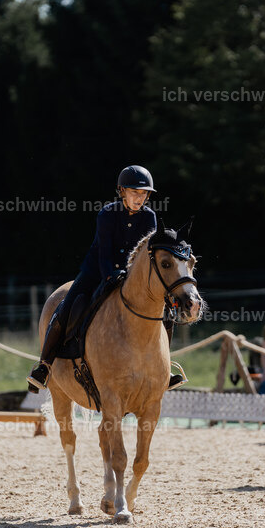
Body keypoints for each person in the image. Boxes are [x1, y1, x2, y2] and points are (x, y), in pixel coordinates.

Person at [28, 166, 186, 391]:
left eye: (143, 194)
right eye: (134, 192)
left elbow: (146, 257)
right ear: (122, 191)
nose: (138, 198)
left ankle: (165, 368)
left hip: (133, 278)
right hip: (98, 271)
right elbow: (104, 253)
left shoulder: (150, 217)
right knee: (67, 306)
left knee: (166, 313)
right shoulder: (107, 214)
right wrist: (111, 275)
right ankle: (44, 366)